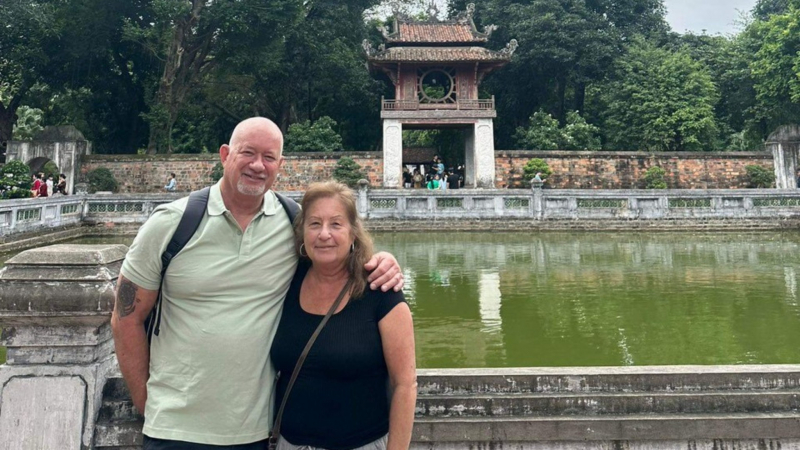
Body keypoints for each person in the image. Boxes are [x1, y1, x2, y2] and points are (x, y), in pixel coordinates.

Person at [111, 117, 404, 449]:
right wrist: (147, 403)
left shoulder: (292, 224)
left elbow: (335, 253)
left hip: (257, 430)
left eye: (269, 157)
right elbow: (125, 317)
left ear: (281, 165)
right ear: (225, 155)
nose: (257, 165)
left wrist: (380, 261)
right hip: (174, 429)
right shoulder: (171, 224)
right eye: (247, 152)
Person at [270, 181, 416, 450]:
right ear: (302, 233)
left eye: (336, 224)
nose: (324, 234)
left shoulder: (381, 290)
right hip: (289, 443)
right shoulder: (286, 281)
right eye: (314, 224)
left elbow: (404, 385)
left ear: (353, 233)